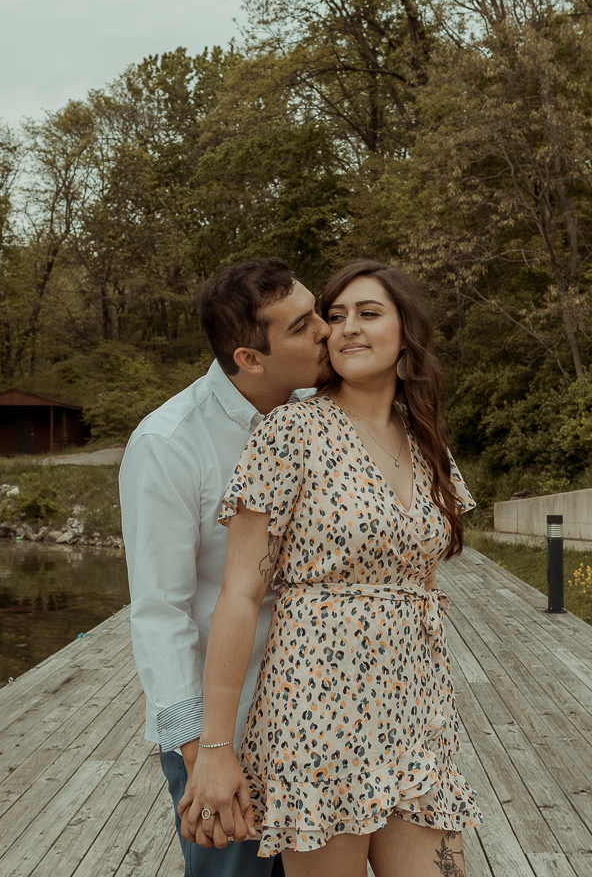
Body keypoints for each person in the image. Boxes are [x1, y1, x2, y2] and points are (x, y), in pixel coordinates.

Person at [178, 260, 482, 877]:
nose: (344, 328)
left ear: (405, 332)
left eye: (368, 314)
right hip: (316, 710)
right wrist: (214, 747)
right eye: (334, 316)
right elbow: (238, 595)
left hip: (417, 708)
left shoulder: (425, 439)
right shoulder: (290, 432)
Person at [120, 257, 332, 876]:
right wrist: (202, 751)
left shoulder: (323, 415)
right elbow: (160, 612)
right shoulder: (168, 445)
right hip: (229, 726)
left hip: (321, 715)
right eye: (302, 326)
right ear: (250, 359)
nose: (326, 329)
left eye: (316, 311)